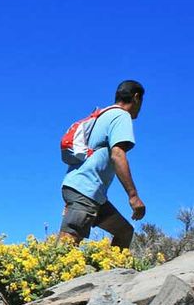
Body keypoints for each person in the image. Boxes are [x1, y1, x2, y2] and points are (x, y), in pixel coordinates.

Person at [59, 80, 146, 249]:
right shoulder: (121, 116)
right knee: (66, 246)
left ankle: (114, 267)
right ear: (136, 98)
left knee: (124, 232)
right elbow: (117, 154)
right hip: (85, 190)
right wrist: (133, 196)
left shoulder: (104, 115)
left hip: (91, 193)